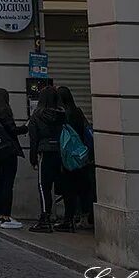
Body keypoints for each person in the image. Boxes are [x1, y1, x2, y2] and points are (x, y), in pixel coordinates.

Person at [27, 85, 74, 233]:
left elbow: (33, 138)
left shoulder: (37, 115)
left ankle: (45, 218)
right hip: (61, 153)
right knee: (66, 187)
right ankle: (69, 219)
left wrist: (33, 157)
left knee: (44, 187)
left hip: (45, 152)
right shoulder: (63, 114)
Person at [0, 86, 27, 229]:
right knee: (8, 183)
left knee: (0, 182)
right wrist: (26, 127)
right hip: (8, 152)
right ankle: (7, 217)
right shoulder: (4, 111)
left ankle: (0, 216)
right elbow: (12, 130)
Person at [57, 85, 95, 227]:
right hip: (81, 154)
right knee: (83, 188)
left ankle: (70, 218)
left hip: (68, 156)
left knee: (69, 190)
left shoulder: (63, 115)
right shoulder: (77, 112)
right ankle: (85, 217)